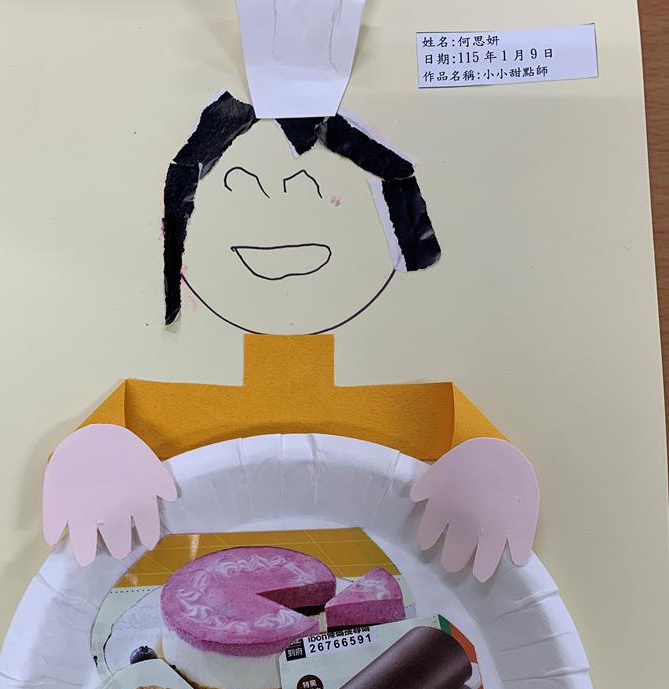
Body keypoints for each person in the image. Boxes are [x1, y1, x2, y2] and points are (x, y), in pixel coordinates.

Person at [43, 93, 538, 580]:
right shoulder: (167, 405)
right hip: (184, 585)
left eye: (309, 184)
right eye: (240, 185)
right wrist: (96, 456)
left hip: (391, 592)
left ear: (402, 239)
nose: (275, 204)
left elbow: (465, 436)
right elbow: (105, 440)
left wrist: (491, 471)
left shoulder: (410, 406)